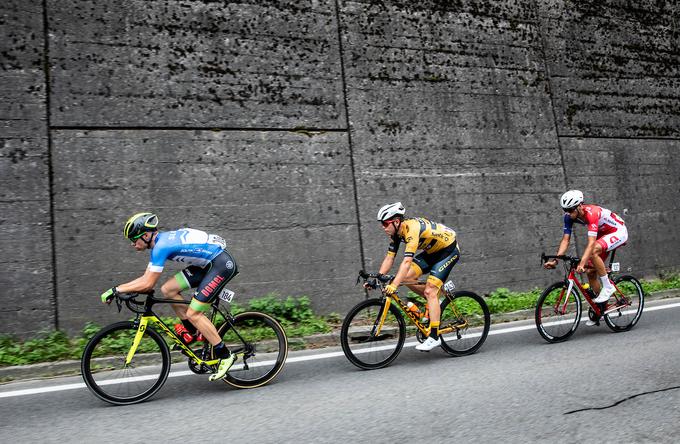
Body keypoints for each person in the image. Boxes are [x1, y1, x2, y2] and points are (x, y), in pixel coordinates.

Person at [100, 212, 238, 381]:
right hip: (206, 264)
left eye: (133, 239)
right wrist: (121, 289)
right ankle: (193, 331)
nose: (132, 244)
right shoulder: (161, 242)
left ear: (144, 236)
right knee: (168, 289)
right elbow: (146, 281)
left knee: (194, 313)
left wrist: (116, 290)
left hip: (220, 265)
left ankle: (225, 355)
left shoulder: (161, 247)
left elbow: (147, 283)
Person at [368, 202, 460, 351]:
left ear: (396, 222)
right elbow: (389, 258)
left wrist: (393, 285)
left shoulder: (411, 230)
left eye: (385, 224)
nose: (383, 227)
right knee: (406, 278)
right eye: (382, 224)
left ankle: (434, 336)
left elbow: (406, 262)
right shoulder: (397, 233)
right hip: (432, 252)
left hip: (447, 251)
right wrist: (378, 278)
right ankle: (435, 299)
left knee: (429, 291)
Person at [543, 190, 628, 325]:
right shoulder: (568, 217)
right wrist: (555, 261)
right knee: (590, 271)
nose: (568, 214)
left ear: (579, 206)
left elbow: (591, 243)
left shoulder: (592, 213)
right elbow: (565, 240)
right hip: (603, 234)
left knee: (593, 251)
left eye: (570, 210)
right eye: (565, 210)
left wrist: (582, 263)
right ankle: (601, 308)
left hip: (618, 231)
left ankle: (608, 286)